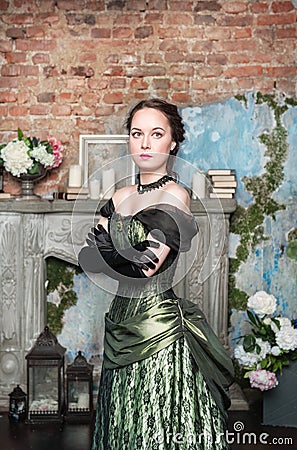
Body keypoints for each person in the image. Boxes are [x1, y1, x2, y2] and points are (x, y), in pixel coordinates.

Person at [78, 98, 234, 450]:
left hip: (156, 327)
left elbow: (146, 266)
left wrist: (108, 250)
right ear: (129, 140)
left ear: (173, 142)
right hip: (119, 322)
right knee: (122, 420)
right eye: (137, 134)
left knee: (154, 419)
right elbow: (88, 259)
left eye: (156, 133)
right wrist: (109, 253)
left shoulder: (177, 194)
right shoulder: (119, 196)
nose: (145, 143)